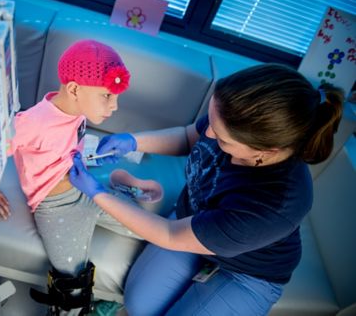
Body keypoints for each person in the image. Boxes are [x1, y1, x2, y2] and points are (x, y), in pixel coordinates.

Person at [69, 63, 344, 315]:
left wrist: (97, 193)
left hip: (248, 273)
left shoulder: (276, 204)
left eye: (221, 138)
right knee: (139, 305)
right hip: (193, 222)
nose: (208, 135)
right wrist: (132, 141)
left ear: (264, 151)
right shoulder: (229, 117)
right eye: (211, 124)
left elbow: (170, 234)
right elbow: (189, 135)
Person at [0, 39, 135, 315]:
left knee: (144, 225)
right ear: (74, 89)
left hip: (88, 189)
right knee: (72, 289)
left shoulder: (77, 111)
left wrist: (95, 154)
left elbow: (65, 145)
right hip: (56, 207)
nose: (114, 106)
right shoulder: (33, 123)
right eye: (107, 96)